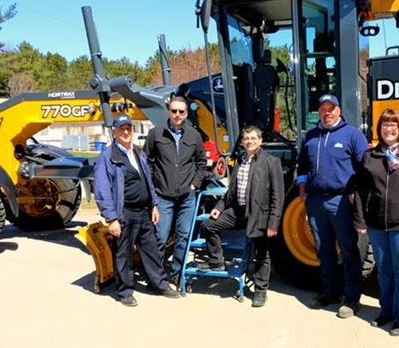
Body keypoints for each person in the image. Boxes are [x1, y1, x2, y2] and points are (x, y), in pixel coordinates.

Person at [93, 114, 180, 307]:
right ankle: (125, 291)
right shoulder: (108, 156)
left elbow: (148, 181)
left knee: (151, 251)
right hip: (124, 212)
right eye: (121, 129)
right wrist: (111, 218)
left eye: (128, 128)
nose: (125, 132)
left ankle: (159, 284)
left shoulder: (138, 152)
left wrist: (154, 205)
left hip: (143, 211)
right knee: (122, 253)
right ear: (114, 132)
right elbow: (102, 188)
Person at [353, 108, 399, 336]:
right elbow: (361, 190)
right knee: (383, 270)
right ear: (379, 129)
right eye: (385, 125)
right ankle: (386, 311)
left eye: (394, 125)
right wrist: (360, 218)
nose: (389, 129)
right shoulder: (370, 156)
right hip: (375, 224)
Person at [297, 93, 368, 319]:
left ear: (339, 111)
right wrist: (301, 186)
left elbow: (364, 168)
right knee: (323, 249)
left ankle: (351, 298)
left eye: (331, 109)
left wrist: (354, 195)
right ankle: (329, 292)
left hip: (341, 201)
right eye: (323, 109)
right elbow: (302, 165)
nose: (326, 113)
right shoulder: (311, 136)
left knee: (348, 249)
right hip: (316, 200)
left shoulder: (352, 135)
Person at [200, 125, 284, 308]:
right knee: (208, 226)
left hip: (259, 214)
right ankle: (217, 262)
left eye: (253, 138)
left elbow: (278, 196)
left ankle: (260, 291)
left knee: (262, 253)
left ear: (260, 140)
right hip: (237, 211)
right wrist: (220, 207)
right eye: (246, 138)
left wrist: (274, 222)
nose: (249, 141)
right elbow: (231, 191)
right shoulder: (240, 160)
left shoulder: (271, 162)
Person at [143, 96, 208, 287]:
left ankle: (177, 274)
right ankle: (156, 275)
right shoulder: (156, 134)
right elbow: (146, 161)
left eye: (181, 112)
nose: (177, 115)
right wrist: (155, 182)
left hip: (187, 197)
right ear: (168, 112)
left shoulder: (194, 136)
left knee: (184, 236)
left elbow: (201, 163)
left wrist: (195, 184)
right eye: (174, 111)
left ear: (186, 114)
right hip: (163, 197)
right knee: (160, 237)